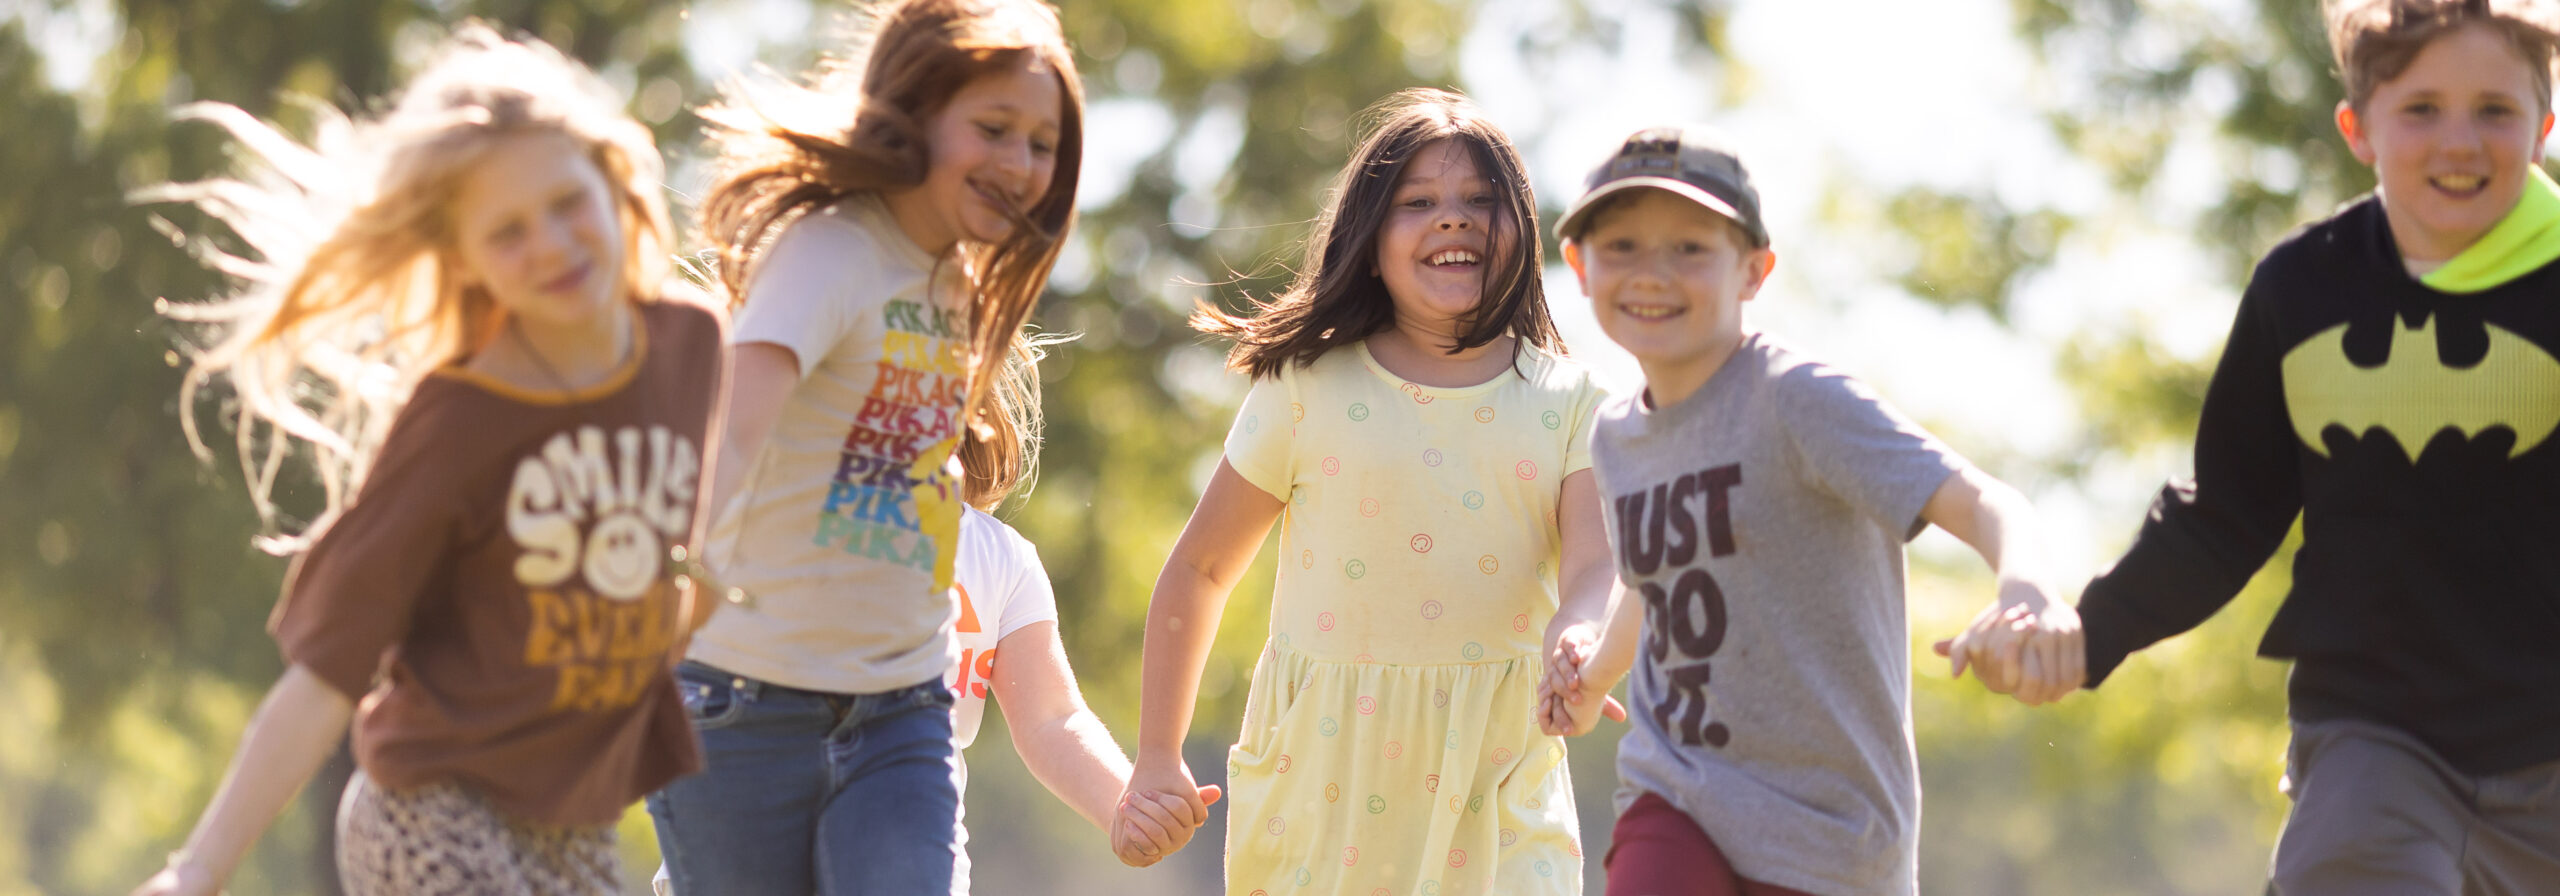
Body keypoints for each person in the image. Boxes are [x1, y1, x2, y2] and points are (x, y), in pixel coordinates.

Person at [1967, 2, 2560, 892]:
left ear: (2545, 126)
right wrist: (2090, 633)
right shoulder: (2307, 286)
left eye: (2496, 111)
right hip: (2376, 736)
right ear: (2358, 129)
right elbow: (2225, 515)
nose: (2461, 141)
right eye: (2423, 109)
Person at [131, 22, 726, 895]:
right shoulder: (459, 419)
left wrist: (693, 595)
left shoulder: (692, 345)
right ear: (469, 262)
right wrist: (197, 870)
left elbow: (664, 569)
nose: (553, 245)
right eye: (510, 232)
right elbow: (326, 672)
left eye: (566, 204)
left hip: (577, 821)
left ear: (614, 178)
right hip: (430, 808)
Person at [648, 0, 1188, 892]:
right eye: (993, 128)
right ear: (915, 111)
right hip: (747, 701)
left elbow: (1049, 713)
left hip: (903, 711)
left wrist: (1119, 800)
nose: (1020, 163)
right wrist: (656, 597)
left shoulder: (957, 286)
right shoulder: (825, 252)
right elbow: (735, 430)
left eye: (1042, 144)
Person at [1537, 124, 2077, 896]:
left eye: (1690, 248)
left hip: (1829, 834)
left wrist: (2027, 590)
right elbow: (1653, 583)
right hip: (1679, 787)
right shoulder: (1618, 435)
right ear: (1581, 268)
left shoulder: (1796, 399)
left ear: (1755, 271)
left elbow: (1988, 499)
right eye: (1622, 247)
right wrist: (1593, 673)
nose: (1652, 273)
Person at [1119, 88, 1615, 894]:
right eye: (1417, 202)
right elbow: (1201, 570)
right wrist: (1155, 757)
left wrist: (1582, 637)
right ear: (1371, 238)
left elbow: (1596, 565)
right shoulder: (1305, 387)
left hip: (1498, 782)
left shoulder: (1572, 400)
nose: (1451, 219)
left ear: (1523, 228)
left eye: (1481, 201)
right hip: (1323, 785)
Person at [654, 351, 1217, 895]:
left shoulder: (1000, 558)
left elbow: (1052, 717)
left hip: (908, 850)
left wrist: (1124, 804)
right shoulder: (775, 518)